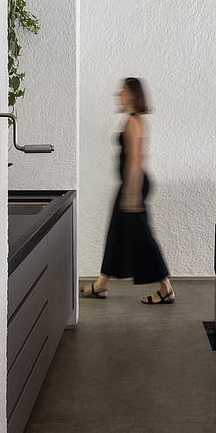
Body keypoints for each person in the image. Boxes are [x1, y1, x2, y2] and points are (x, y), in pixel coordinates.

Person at [81, 77, 175, 304]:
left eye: (121, 91)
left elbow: (136, 160)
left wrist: (132, 195)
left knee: (142, 237)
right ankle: (101, 285)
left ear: (132, 94)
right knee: (117, 233)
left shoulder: (133, 122)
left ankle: (166, 289)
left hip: (133, 186)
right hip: (131, 185)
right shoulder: (134, 120)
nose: (118, 95)